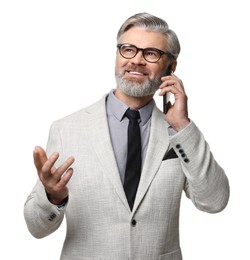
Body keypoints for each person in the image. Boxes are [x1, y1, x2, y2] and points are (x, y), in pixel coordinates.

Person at [24, 12, 230, 260]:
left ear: (171, 67)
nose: (137, 60)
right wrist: (53, 197)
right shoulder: (67, 129)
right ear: (117, 55)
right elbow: (36, 227)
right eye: (128, 49)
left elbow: (215, 201)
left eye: (151, 53)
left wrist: (183, 126)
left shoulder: (179, 133)